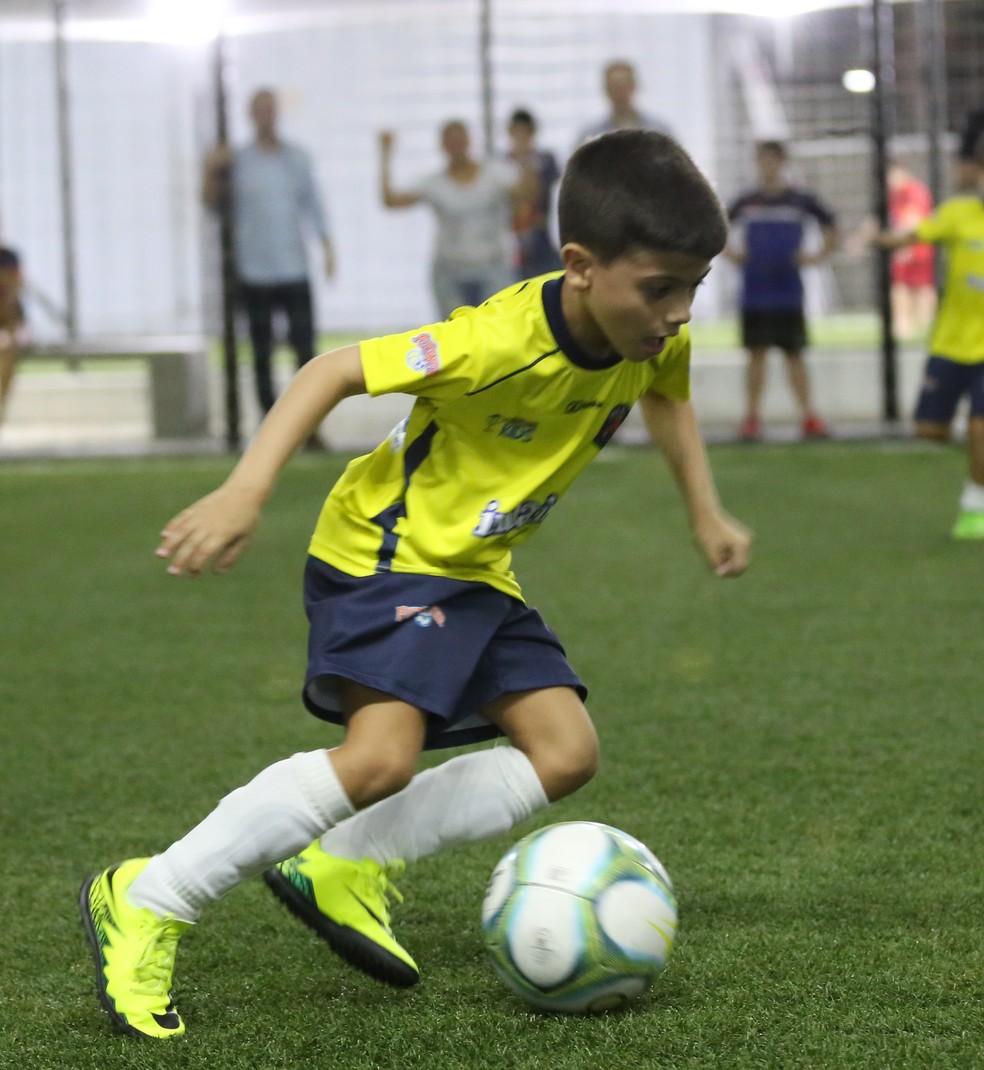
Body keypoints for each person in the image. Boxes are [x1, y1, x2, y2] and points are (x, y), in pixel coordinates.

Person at [79, 129, 752, 1040]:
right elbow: (333, 371)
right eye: (661, 288)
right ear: (581, 266)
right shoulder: (495, 340)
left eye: (693, 288)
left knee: (565, 753)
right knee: (380, 758)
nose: (678, 312)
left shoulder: (645, 332)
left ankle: (343, 865)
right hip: (383, 557)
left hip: (473, 570)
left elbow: (668, 396)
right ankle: (150, 896)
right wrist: (244, 491)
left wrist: (704, 513)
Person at [874, 135, 984, 540]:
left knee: (979, 429)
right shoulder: (958, 213)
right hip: (950, 344)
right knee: (929, 431)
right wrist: (877, 238)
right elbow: (911, 236)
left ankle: (975, 506)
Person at [202, 88, 335, 416]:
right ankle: (269, 421)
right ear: (251, 115)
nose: (266, 115)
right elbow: (212, 206)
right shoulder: (237, 162)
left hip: (294, 267)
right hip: (255, 271)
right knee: (261, 352)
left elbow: (313, 206)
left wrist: (328, 246)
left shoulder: (297, 158)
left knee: (305, 351)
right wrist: (210, 171)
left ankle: (309, 423)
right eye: (260, 109)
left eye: (270, 109)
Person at [724, 140, 839, 442]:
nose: (767, 166)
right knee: (756, 354)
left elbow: (831, 225)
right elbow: (719, 225)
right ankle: (751, 417)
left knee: (794, 354)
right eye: (762, 160)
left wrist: (817, 256)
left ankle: (808, 416)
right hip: (755, 290)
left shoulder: (799, 199)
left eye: (772, 160)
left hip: (788, 290)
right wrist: (732, 253)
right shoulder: (747, 201)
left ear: (782, 162)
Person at [379, 120, 526, 319]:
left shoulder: (495, 174)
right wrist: (385, 155)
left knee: (498, 328)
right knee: (455, 335)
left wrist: (523, 150)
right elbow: (391, 201)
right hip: (450, 271)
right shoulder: (434, 183)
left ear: (469, 140)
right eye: (450, 140)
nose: (456, 144)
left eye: (460, 138)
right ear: (442, 145)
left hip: (492, 267)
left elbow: (527, 195)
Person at [505, 108, 562, 278]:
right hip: (512, 243)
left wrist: (525, 161)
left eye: (525, 132)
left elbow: (536, 193)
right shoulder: (501, 164)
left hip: (543, 240)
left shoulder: (545, 160)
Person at [576, 59, 674, 145]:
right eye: (614, 87)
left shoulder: (659, 130)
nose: (620, 93)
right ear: (606, 90)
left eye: (624, 87)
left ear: (634, 86)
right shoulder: (591, 136)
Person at [0, 243, 25, 427]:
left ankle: (2, 404)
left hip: (9, 322)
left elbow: (15, 294)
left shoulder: (9, 257)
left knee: (8, 348)